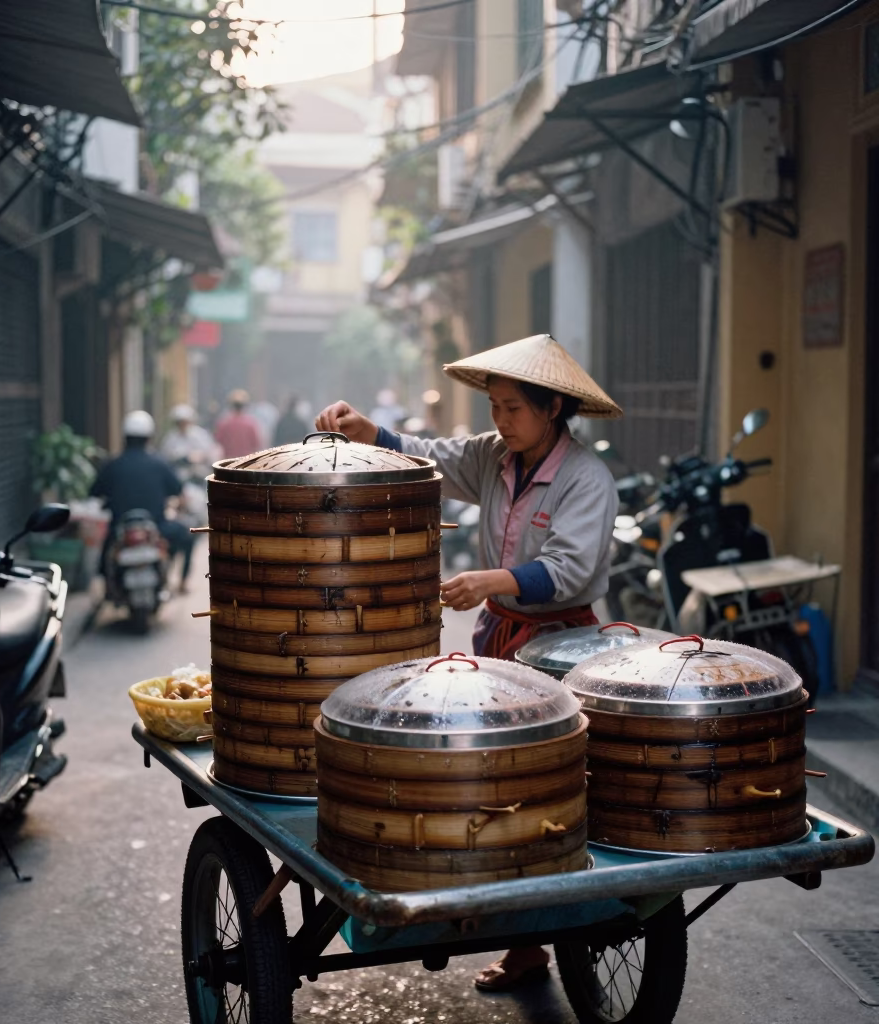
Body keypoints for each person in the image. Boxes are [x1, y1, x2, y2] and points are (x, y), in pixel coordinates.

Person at [315, 333, 621, 992]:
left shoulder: (585, 478)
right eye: (495, 407)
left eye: (513, 408)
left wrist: (491, 581)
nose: (500, 421)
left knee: (542, 790)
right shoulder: (494, 457)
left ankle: (529, 934)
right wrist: (371, 431)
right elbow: (432, 458)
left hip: (563, 648)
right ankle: (521, 936)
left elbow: (570, 570)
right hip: (500, 642)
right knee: (501, 786)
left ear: (552, 409)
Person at [90, 410, 196, 595]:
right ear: (149, 437)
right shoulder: (159, 463)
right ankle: (182, 581)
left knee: (106, 552)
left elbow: (95, 491)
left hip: (120, 530)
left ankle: (107, 586)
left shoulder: (113, 464)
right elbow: (177, 489)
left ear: (125, 437)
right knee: (188, 536)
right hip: (157, 527)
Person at [159, 404, 221, 476]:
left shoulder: (200, 435)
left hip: (199, 475)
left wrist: (200, 457)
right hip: (179, 475)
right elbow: (165, 457)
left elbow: (211, 452)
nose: (182, 425)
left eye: (184, 422)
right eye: (179, 422)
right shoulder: (170, 438)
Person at [214, 389, 263, 458]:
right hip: (246, 461)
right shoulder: (251, 424)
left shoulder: (224, 423)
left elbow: (218, 440)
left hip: (228, 460)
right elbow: (256, 443)